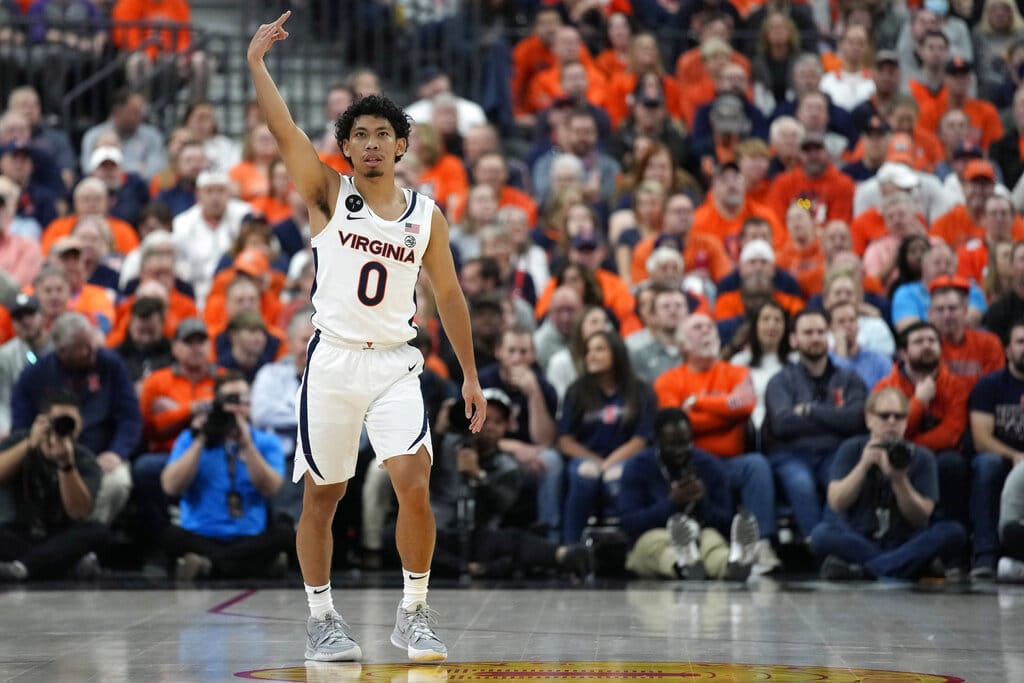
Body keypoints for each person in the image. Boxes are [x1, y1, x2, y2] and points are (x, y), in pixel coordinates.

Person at [248, 12, 485, 664]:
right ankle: (321, 616)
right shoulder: (326, 190)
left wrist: (468, 373)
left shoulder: (426, 215)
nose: (373, 143)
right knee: (322, 496)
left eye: (384, 133)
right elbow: (283, 128)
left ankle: (414, 610)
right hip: (332, 362)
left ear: (404, 144)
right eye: (361, 135)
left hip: (395, 366)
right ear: (347, 147)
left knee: (414, 476)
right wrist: (256, 64)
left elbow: (449, 296)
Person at [810, 387, 967, 580]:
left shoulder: (922, 457)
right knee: (821, 534)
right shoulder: (851, 448)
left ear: (906, 421)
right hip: (861, 539)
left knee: (953, 532)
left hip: (906, 540)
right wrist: (863, 466)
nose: (892, 422)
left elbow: (921, 517)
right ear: (869, 419)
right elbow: (836, 502)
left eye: (899, 417)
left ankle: (866, 572)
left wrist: (899, 479)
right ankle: (907, 566)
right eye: (884, 416)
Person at [160, 371, 292, 581]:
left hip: (249, 534)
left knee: (285, 532)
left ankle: (210, 566)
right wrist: (202, 439)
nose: (238, 407)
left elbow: (271, 488)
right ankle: (258, 566)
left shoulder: (266, 442)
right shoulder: (191, 439)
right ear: (217, 403)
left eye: (243, 400)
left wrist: (247, 445)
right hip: (202, 534)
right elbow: (170, 487)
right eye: (231, 400)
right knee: (170, 535)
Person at [10, 312, 140, 526]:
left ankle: (88, 537)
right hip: (49, 456)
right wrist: (41, 450)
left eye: (91, 343)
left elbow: (130, 417)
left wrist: (118, 452)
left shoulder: (110, 365)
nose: (92, 351)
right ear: (62, 351)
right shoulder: (36, 374)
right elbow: (21, 425)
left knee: (118, 483)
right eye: (83, 348)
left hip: (101, 454)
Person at [619, 408, 760, 581]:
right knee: (657, 546)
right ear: (656, 441)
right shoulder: (637, 467)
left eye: (685, 443)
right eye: (672, 445)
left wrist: (703, 503)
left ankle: (734, 565)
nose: (680, 451)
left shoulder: (708, 465)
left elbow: (726, 520)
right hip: (654, 537)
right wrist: (670, 503)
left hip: (701, 532)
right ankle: (683, 565)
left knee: (712, 543)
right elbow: (628, 523)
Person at [764, 310, 869, 541]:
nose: (815, 338)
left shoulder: (849, 379)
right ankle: (819, 544)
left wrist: (810, 410)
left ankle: (832, 542)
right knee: (801, 482)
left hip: (835, 452)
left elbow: (857, 419)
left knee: (841, 481)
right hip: (790, 454)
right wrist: (835, 418)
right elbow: (782, 424)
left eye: (821, 332)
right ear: (794, 340)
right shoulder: (780, 380)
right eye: (808, 332)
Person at [0, 390, 110, 581]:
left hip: (60, 533)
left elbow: (78, 511)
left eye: (70, 422)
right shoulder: (21, 441)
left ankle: (22, 568)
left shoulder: (84, 459)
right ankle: (65, 565)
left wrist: (65, 465)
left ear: (80, 426)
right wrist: (29, 445)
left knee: (98, 531)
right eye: (57, 421)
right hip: (19, 530)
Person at [557, 330, 656, 543]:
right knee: (584, 476)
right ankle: (571, 548)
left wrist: (609, 463)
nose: (591, 355)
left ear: (617, 353)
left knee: (619, 477)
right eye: (588, 350)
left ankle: (632, 548)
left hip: (628, 459)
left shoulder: (641, 391)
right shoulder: (576, 391)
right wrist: (599, 463)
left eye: (600, 349)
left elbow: (641, 439)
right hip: (588, 458)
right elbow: (565, 441)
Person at [968, 321, 1024, 578]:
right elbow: (981, 439)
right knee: (986, 464)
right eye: (1021, 342)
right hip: (1004, 458)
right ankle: (986, 555)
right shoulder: (990, 385)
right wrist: (1014, 456)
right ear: (1008, 350)